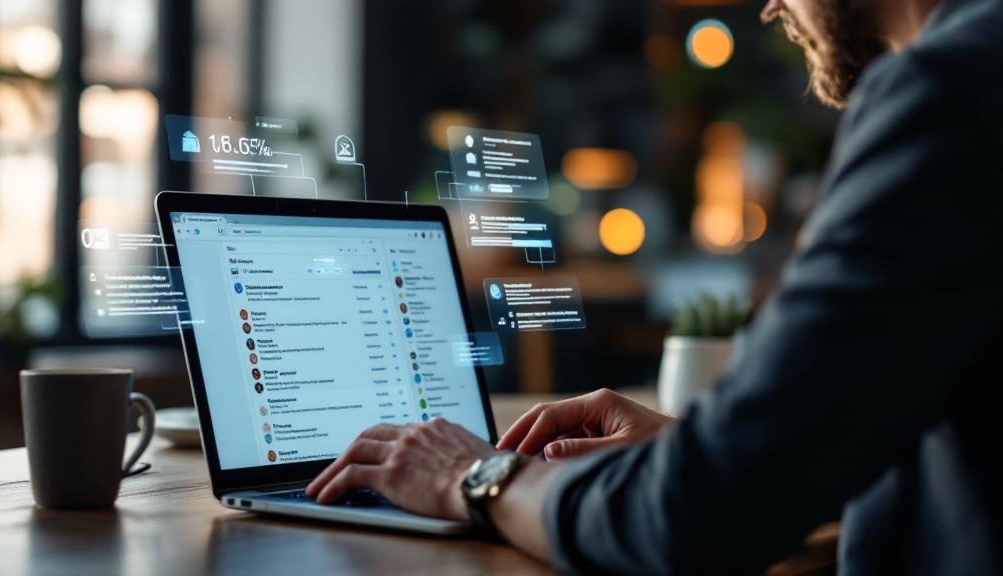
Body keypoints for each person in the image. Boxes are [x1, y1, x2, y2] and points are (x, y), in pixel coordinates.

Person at [307, 0, 1003, 572]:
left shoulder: (947, 89)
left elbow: (698, 519)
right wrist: (713, 447)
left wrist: (474, 477)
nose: (769, 9)